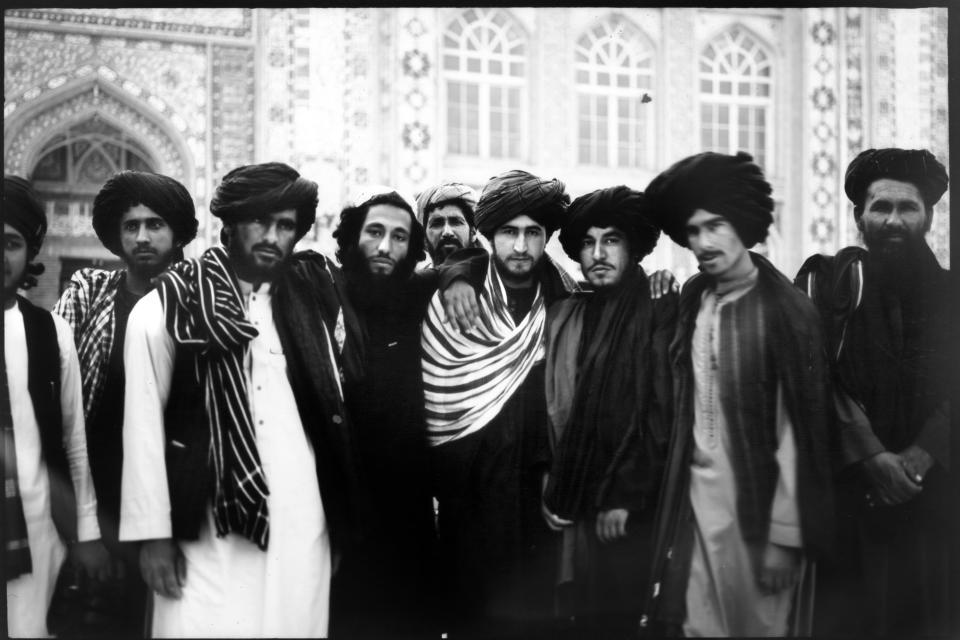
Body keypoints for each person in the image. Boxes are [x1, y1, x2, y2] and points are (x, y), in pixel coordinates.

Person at [118, 162, 361, 638]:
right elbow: (143, 425)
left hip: (301, 520)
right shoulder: (166, 306)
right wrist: (152, 537)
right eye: (260, 222)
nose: (272, 236)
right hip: (208, 527)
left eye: (286, 225)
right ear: (229, 225)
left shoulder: (311, 305)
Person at [640, 152, 835, 637]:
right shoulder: (692, 299)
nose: (702, 243)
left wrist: (785, 540)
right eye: (692, 231)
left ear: (743, 223)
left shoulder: (788, 312)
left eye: (715, 225)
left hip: (761, 517)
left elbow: (800, 435)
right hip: (697, 511)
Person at [795, 148, 952, 637]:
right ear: (858, 215)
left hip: (936, 499)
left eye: (908, 208)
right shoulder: (829, 284)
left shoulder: (952, 293)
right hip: (851, 499)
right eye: (880, 207)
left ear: (928, 215)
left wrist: (923, 455)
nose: (893, 220)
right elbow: (814, 377)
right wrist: (871, 458)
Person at [422, 169, 580, 638]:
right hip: (468, 499)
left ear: (545, 238)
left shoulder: (563, 299)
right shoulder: (450, 295)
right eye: (509, 232)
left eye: (533, 233)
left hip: (537, 499)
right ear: (489, 236)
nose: (520, 246)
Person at [53, 170, 198, 636]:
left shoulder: (199, 304)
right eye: (131, 226)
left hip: (173, 502)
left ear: (176, 233)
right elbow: (58, 398)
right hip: (101, 500)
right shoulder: (90, 294)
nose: (142, 237)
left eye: (155, 225)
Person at [541, 186, 676, 638]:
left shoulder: (659, 307)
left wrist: (626, 495)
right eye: (587, 242)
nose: (597, 253)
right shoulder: (572, 312)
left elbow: (662, 411)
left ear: (633, 246)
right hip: (576, 501)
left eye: (611, 240)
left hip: (628, 509)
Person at [327, 187, 439, 639]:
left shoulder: (418, 297)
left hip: (405, 511)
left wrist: (459, 278)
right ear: (354, 238)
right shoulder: (323, 295)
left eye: (399, 237)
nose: (385, 247)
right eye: (375, 232)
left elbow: (466, 265)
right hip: (338, 508)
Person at [3, 175, 109, 637]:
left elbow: (74, 439)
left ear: (30, 254)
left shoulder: (50, 332)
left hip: (33, 528)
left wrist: (86, 530)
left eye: (10, 242)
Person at [415, 182, 481, 265]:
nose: (447, 232)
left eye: (456, 222)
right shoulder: (414, 277)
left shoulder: (493, 277)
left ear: (473, 233)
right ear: (424, 238)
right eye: (436, 224)